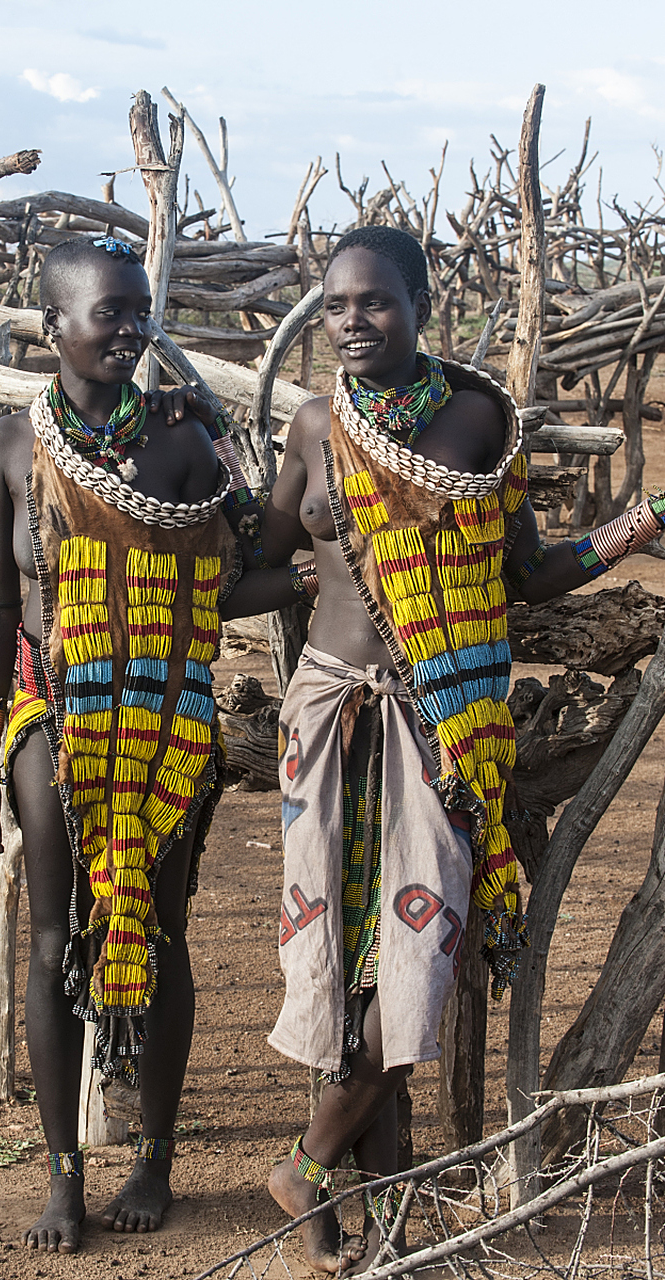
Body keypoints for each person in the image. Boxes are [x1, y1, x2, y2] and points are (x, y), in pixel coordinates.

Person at [258, 224, 665, 1275]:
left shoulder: (481, 418)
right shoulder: (315, 424)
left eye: (375, 301)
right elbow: (256, 561)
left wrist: (633, 527)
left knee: (414, 964)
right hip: (328, 716)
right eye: (336, 304)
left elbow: (527, 572)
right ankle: (353, 1212)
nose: (352, 321)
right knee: (337, 964)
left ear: (422, 305)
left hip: (444, 723)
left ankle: (306, 1167)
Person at [0, 236, 307, 1255]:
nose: (128, 329)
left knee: (160, 928)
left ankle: (154, 1158)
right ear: (53, 326)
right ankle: (63, 1174)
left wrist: (231, 453)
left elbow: (241, 565)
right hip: (53, 710)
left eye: (138, 309)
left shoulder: (183, 440)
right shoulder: (10, 447)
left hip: (165, 717)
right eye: (106, 311)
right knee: (53, 934)